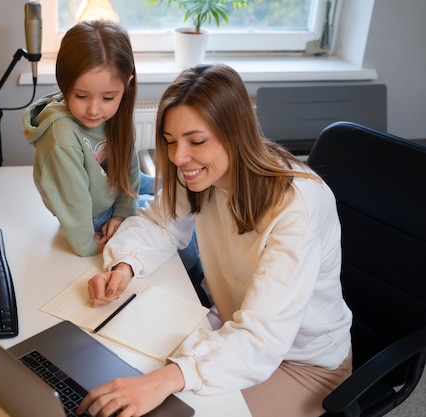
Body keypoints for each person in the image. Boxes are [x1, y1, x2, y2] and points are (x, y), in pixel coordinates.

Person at [77, 64, 353, 417]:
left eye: (196, 141)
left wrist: (165, 379)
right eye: (171, 141)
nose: (178, 157)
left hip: (302, 363)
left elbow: (261, 338)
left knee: (165, 406)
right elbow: (161, 224)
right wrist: (125, 265)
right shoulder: (199, 172)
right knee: (119, 368)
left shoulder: (298, 207)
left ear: (235, 132)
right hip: (230, 327)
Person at [22, 20, 145, 257]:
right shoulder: (61, 136)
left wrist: (124, 212)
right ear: (64, 83)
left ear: (127, 85)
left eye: (108, 98)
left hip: (112, 196)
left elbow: (129, 167)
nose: (94, 110)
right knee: (168, 219)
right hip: (91, 214)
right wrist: (87, 245)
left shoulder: (118, 115)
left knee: (169, 196)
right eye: (81, 96)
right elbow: (74, 201)